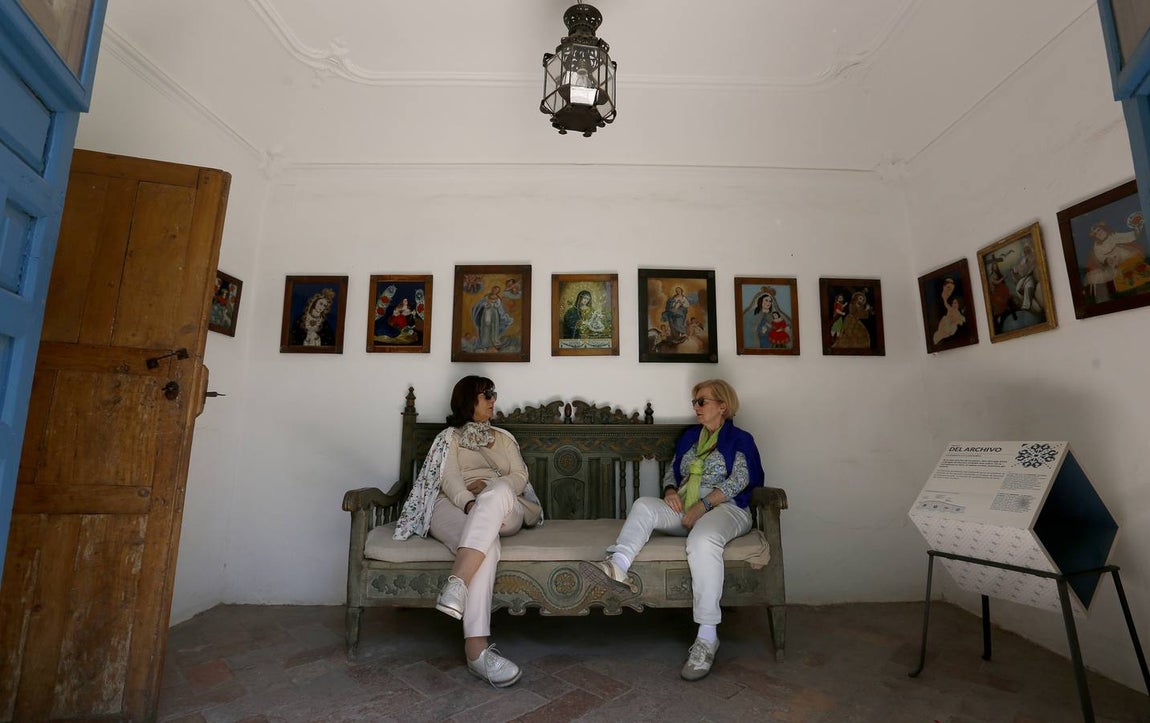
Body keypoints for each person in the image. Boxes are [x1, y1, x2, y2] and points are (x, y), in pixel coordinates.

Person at [579, 379, 764, 681]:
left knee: (703, 541)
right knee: (643, 506)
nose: (696, 408)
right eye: (694, 402)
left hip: (726, 507)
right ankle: (618, 565)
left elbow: (739, 481)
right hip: (689, 505)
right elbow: (674, 469)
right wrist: (669, 491)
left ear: (723, 406)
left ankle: (706, 637)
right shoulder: (691, 437)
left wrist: (703, 505)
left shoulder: (740, 439)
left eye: (702, 402)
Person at [392, 376, 542, 687]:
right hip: (455, 508)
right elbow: (448, 480)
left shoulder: (504, 438)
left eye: (493, 393)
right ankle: (477, 652)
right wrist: (470, 503)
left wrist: (489, 492)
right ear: (466, 401)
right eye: (485, 394)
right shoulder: (450, 438)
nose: (492, 398)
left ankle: (457, 583)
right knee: (486, 544)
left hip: (506, 507)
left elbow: (518, 476)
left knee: (499, 491)